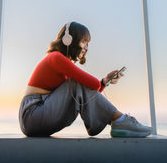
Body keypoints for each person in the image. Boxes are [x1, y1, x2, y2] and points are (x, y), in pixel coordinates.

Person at [19, 21, 152, 137]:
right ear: (68, 39)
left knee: (76, 85)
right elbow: (92, 84)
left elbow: (87, 94)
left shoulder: (61, 62)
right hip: (32, 113)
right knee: (75, 83)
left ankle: (119, 121)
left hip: (38, 114)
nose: (86, 47)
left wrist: (105, 81)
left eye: (88, 43)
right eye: (83, 41)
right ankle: (120, 120)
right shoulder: (56, 58)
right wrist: (100, 82)